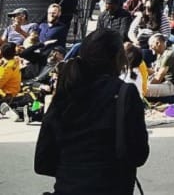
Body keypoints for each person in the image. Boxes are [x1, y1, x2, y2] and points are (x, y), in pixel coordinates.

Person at [35, 29, 148, 194]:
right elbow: (138, 154)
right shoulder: (124, 93)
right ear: (119, 58)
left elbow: (43, 161)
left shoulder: (66, 90)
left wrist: (73, 171)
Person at [146, 33, 174, 102]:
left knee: (142, 89)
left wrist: (146, 85)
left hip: (172, 86)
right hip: (165, 84)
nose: (150, 48)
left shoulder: (168, 55)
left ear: (158, 43)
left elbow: (158, 78)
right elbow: (154, 71)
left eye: (151, 45)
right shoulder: (161, 55)